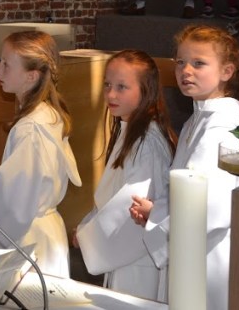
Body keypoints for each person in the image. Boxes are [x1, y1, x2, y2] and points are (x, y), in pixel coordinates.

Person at [129, 24, 239, 310]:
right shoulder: (198, 118)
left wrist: (158, 217)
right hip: (193, 245)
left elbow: (211, 204)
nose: (185, 71)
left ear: (227, 71)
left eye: (199, 63)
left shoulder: (223, 124)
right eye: (180, 62)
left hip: (210, 252)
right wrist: (157, 209)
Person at [0, 31, 82, 277]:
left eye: (6, 64)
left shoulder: (31, 128)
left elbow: (16, 203)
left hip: (29, 240)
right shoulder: (48, 113)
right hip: (45, 233)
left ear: (31, 76)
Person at [75, 50, 177, 301]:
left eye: (122, 87)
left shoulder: (146, 142)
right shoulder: (131, 130)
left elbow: (131, 207)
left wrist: (88, 237)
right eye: (107, 85)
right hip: (128, 257)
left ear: (146, 91)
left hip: (138, 260)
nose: (111, 94)